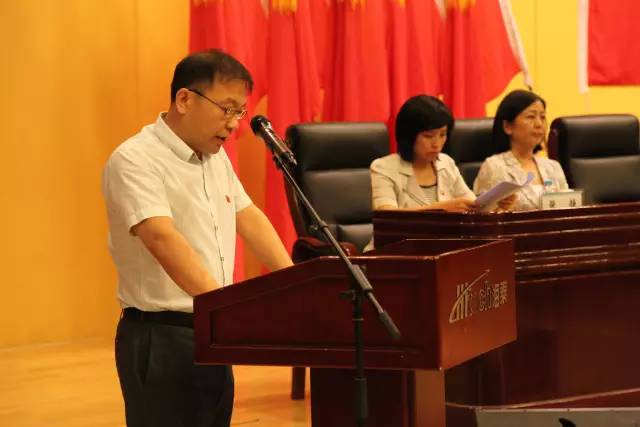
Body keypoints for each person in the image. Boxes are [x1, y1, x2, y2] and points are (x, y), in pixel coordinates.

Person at [102, 49, 293, 427]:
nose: (234, 123)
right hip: (162, 335)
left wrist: (294, 283)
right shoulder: (135, 159)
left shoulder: (215, 157)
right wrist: (226, 308)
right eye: (226, 109)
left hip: (211, 331)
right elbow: (161, 238)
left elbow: (249, 217)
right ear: (185, 99)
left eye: (240, 112)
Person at [474, 89, 569, 211]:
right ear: (508, 126)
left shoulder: (553, 167)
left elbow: (569, 208)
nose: (539, 124)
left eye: (542, 117)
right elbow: (482, 213)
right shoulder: (494, 166)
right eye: (531, 117)